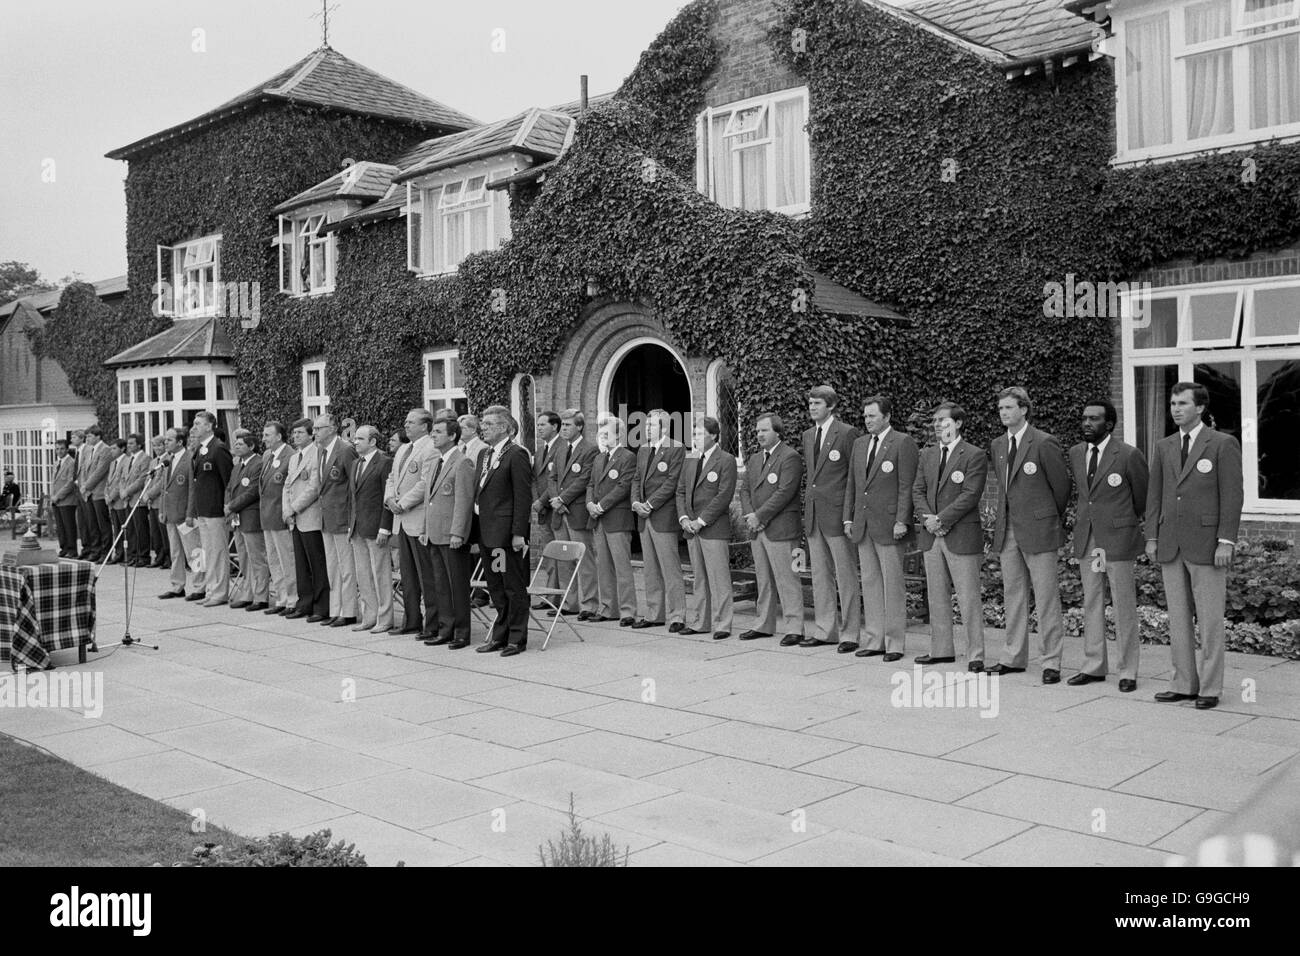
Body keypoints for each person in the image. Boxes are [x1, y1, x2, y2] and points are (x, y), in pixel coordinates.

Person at [1146, 382, 1243, 711]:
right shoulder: (1164, 446)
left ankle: (1211, 688)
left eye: (1182, 403)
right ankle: (1184, 683)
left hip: (1207, 545)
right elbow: (1155, 494)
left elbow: (1232, 496)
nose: (1175, 408)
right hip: (1171, 543)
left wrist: (1226, 540)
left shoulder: (1222, 444)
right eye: (1172, 403)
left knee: (1211, 618)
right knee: (1178, 618)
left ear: (1200, 408)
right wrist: (1151, 537)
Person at [987, 387, 1071, 682]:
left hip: (1039, 529)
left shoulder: (1044, 442)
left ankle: (1051, 662)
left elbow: (1061, 488)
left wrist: (1045, 517)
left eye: (1009, 407)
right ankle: (1014, 656)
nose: (1003, 413)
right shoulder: (998, 444)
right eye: (1000, 409)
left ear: (1024, 409)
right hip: (1008, 529)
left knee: (1047, 596)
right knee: (1013, 594)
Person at [1068, 399, 1148, 692]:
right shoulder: (1076, 453)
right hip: (1089, 538)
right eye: (1084, 418)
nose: (1086, 423)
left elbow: (1142, 499)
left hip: (1118, 539)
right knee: (1091, 602)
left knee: (1123, 605)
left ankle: (1128, 670)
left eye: (1094, 419)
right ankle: (1093, 666)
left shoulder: (1128, 455)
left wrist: (1121, 522)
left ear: (1109, 424)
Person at [912, 403, 988, 671]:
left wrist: (941, 519)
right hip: (932, 536)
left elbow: (970, 494)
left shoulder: (974, 455)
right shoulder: (927, 455)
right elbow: (917, 491)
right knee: (936, 595)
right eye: (934, 421)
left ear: (958, 424)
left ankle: (975, 654)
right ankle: (941, 650)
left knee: (968, 597)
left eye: (943, 420)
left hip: (960, 534)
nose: (937, 425)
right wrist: (928, 520)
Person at [842, 396, 918, 661]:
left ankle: (895, 642)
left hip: (889, 525)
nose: (867, 420)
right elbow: (852, 484)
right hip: (863, 524)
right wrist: (848, 518)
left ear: (886, 417)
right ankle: (875, 639)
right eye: (865, 416)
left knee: (892, 584)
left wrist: (902, 520)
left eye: (872, 416)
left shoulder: (902, 442)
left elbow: (906, 485)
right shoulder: (860, 444)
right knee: (871, 583)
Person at [793, 385, 861, 648]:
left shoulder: (846, 433)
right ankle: (825, 630)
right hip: (814, 516)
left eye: (817, 403)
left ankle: (850, 634)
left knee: (845, 577)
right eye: (810, 402)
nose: (812, 407)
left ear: (830, 406)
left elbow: (853, 478)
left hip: (837, 515)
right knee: (820, 576)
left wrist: (849, 516)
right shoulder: (809, 435)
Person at [472, 405, 533, 656]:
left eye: (488, 424)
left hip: (506, 535)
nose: (482, 428)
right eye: (482, 423)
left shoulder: (516, 454)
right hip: (487, 532)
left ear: (505, 427)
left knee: (512, 586)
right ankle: (500, 634)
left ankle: (516, 638)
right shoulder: (485, 455)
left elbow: (522, 496)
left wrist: (519, 533)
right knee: (496, 586)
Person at [738, 412, 804, 643]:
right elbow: (744, 489)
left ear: (777, 431)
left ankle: (794, 628)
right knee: (763, 579)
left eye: (764, 430)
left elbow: (785, 492)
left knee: (788, 579)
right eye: (757, 431)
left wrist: (760, 515)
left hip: (782, 529)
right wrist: (750, 516)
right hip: (758, 529)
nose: (759, 435)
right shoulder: (755, 459)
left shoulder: (790, 457)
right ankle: (763, 624)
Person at [677, 416, 737, 639]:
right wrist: (684, 518)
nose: (695, 438)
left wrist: (700, 520)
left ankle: (723, 624)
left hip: (712, 528)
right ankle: (700, 622)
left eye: (700, 434)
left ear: (713, 435)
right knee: (700, 578)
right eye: (694, 434)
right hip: (691, 529)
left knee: (719, 578)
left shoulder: (726, 460)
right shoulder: (691, 460)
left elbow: (723, 496)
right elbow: (680, 491)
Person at [384, 408, 440, 637]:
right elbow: (391, 478)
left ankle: (432, 623)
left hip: (417, 518)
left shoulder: (431, 449)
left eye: (411, 422)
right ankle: (411, 620)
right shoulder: (404, 449)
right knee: (408, 575)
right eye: (406, 421)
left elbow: (425, 483)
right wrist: (389, 498)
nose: (406, 425)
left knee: (426, 576)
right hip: (401, 520)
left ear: (425, 426)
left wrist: (403, 503)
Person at [421, 416, 475, 648]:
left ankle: (461, 632)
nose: (433, 435)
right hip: (434, 533)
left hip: (451, 535)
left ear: (452, 436)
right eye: (432, 431)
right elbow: (428, 500)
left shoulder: (462, 462)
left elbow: (464, 501)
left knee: (457, 585)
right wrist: (425, 529)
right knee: (441, 585)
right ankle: (445, 629)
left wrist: (458, 533)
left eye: (438, 432)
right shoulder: (435, 462)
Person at [631, 408, 686, 632]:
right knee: (650, 569)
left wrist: (650, 504)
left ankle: (677, 616)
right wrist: (635, 503)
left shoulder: (676, 448)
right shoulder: (643, 450)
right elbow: (636, 479)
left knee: (670, 569)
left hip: (662, 516)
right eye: (646, 425)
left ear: (663, 427)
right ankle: (655, 614)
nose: (646, 429)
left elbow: (672, 482)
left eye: (651, 425)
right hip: (644, 518)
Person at [586, 416, 638, 625]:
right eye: (600, 434)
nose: (602, 437)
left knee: (622, 567)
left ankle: (627, 611)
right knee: (604, 566)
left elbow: (624, 486)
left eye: (606, 434)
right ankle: (608, 608)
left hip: (617, 519)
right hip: (598, 520)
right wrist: (590, 504)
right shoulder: (599, 458)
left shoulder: (627, 457)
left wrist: (601, 506)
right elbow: (590, 484)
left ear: (619, 435)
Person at [548, 409, 599, 618]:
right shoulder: (560, 449)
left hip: (576, 511)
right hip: (560, 512)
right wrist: (555, 501)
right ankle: (569, 603)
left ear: (579, 427)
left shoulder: (590, 450)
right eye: (563, 425)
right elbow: (552, 478)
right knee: (564, 560)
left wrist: (563, 499)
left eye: (568, 425)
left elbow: (584, 479)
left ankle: (588, 604)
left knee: (584, 561)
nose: (564, 429)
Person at [349, 424, 394, 634]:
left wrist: (385, 528)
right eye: (355, 438)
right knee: (363, 575)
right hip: (358, 528)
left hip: (376, 527)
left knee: (381, 574)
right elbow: (353, 498)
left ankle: (385, 618)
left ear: (373, 441)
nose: (355, 442)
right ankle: (370, 616)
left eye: (359, 438)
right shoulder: (355, 464)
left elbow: (387, 497)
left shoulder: (384, 463)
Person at [315, 413, 359, 627]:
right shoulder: (321, 451)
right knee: (333, 567)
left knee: (346, 567)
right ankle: (336, 609)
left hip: (342, 516)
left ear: (332, 428)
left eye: (319, 428)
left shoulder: (344, 449)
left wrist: (352, 517)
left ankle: (349, 610)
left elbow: (353, 485)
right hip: (327, 516)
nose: (315, 432)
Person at [187, 411, 234, 607]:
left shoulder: (218, 448)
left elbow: (228, 481)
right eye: (194, 424)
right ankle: (211, 589)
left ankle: (220, 592)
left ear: (209, 426)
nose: (194, 427)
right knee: (208, 553)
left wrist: (227, 506)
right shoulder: (200, 449)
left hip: (215, 509)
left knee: (217, 552)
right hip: (203, 509)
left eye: (198, 424)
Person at [284, 418, 328, 621]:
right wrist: (287, 508)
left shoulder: (316, 454)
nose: (296, 436)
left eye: (300, 433)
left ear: (311, 434)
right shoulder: (294, 458)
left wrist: (293, 508)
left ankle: (321, 606)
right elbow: (287, 485)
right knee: (301, 563)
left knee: (316, 564)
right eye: (294, 433)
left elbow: (314, 487)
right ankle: (304, 603)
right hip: (295, 517)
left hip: (310, 515)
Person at [225, 429, 268, 612]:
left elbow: (252, 491)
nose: (236, 446)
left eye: (240, 444)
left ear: (251, 446)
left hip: (250, 516)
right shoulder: (237, 465)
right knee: (244, 558)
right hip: (237, 518)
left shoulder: (258, 463)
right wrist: (229, 506)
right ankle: (247, 593)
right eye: (236, 444)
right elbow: (230, 488)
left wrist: (232, 506)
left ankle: (261, 596)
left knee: (257, 559)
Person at [156, 426, 201, 601]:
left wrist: (191, 513)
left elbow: (192, 489)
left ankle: (200, 585)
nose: (165, 442)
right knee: (175, 552)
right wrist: (162, 509)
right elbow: (164, 487)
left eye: (169, 440)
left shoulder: (189, 459)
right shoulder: (168, 459)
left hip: (184, 514)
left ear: (180, 442)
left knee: (194, 551)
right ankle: (177, 585)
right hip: (170, 513)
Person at [258, 421, 296, 616]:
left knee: (286, 560)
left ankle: (292, 599)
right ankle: (281, 598)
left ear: (279, 437)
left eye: (267, 435)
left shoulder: (290, 456)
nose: (263, 439)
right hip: (267, 516)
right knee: (274, 561)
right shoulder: (267, 456)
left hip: (281, 516)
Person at [530, 411, 563, 605]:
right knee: (548, 554)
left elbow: (555, 480)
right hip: (542, 510)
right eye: (538, 425)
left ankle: (558, 595)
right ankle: (551, 595)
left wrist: (542, 501)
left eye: (543, 424)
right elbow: (535, 479)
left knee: (560, 554)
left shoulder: (561, 447)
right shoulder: (540, 450)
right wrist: (536, 501)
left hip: (555, 507)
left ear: (555, 426)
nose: (539, 428)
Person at [78, 425, 113, 561]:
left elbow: (100, 471)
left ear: (98, 436)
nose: (87, 439)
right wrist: (83, 486)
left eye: (90, 436)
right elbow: (83, 470)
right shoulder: (88, 451)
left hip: (99, 491)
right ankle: (95, 550)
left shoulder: (105, 450)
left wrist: (86, 486)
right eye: (87, 436)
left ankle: (106, 552)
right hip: (88, 493)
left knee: (102, 524)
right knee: (92, 524)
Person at [121, 433, 153, 567]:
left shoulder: (145, 459)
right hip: (127, 499)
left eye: (132, 443)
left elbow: (141, 479)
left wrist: (127, 491)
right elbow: (122, 477)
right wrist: (122, 491)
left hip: (137, 499)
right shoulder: (128, 459)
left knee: (141, 529)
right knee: (131, 530)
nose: (129, 446)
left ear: (139, 445)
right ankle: (133, 555)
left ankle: (143, 556)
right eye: (128, 443)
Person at [50, 441, 79, 557]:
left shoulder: (71, 463)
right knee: (61, 527)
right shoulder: (56, 463)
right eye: (57, 449)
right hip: (56, 501)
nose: (59, 451)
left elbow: (70, 483)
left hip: (67, 500)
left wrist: (58, 496)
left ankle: (72, 550)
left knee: (69, 526)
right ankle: (64, 548)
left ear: (67, 449)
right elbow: (54, 482)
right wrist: (52, 496)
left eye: (62, 449)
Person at [145, 436, 170, 568]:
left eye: (159, 445)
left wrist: (150, 494)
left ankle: (168, 557)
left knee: (164, 531)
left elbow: (162, 481)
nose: (156, 448)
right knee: (155, 531)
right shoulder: (153, 461)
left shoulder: (167, 460)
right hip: (151, 501)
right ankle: (159, 556)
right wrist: (146, 494)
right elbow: (148, 478)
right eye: (154, 446)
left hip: (160, 500)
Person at [105, 439, 127, 564]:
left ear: (122, 449)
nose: (111, 451)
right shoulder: (113, 463)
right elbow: (108, 481)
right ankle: (118, 553)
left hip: (119, 500)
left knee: (123, 529)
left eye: (114, 448)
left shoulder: (126, 461)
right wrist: (106, 495)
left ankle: (124, 554)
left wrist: (112, 496)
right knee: (116, 529)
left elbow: (120, 482)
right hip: (111, 502)